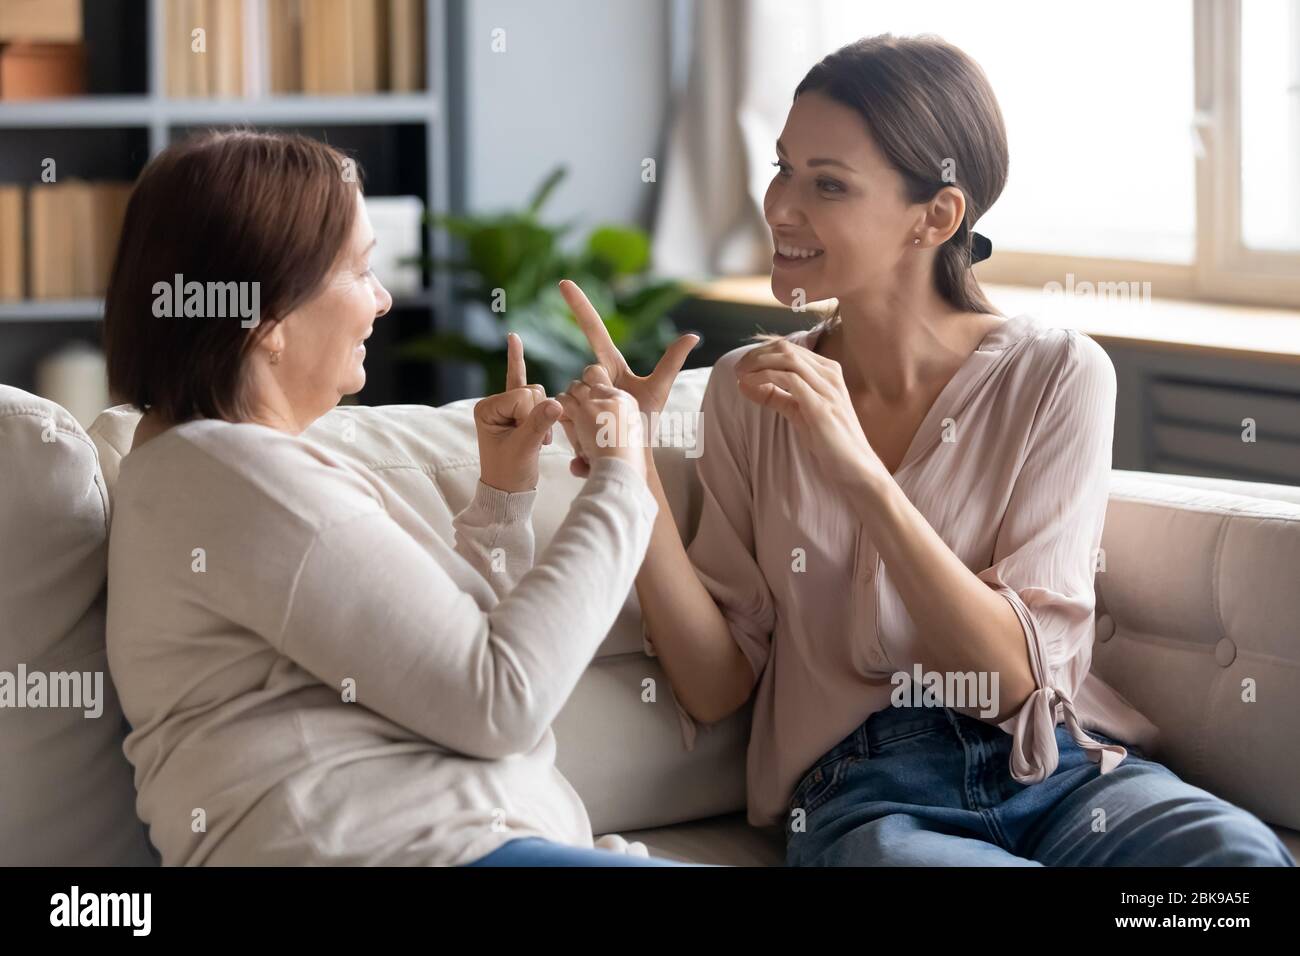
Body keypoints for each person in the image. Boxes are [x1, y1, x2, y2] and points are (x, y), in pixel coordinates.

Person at [556, 34, 1295, 867]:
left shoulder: (1056, 374)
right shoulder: (747, 390)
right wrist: (634, 470)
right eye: (782, 167)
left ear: (936, 215)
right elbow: (717, 686)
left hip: (1060, 770)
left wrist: (860, 473)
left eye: (827, 183)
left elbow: (1015, 680)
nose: (780, 207)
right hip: (868, 797)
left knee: (1235, 863)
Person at [103, 129, 692, 866]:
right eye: (361, 269)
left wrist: (503, 499)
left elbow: (443, 669)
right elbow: (501, 699)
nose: (381, 300)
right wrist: (622, 477)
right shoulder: (224, 473)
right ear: (266, 318)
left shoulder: (219, 471)